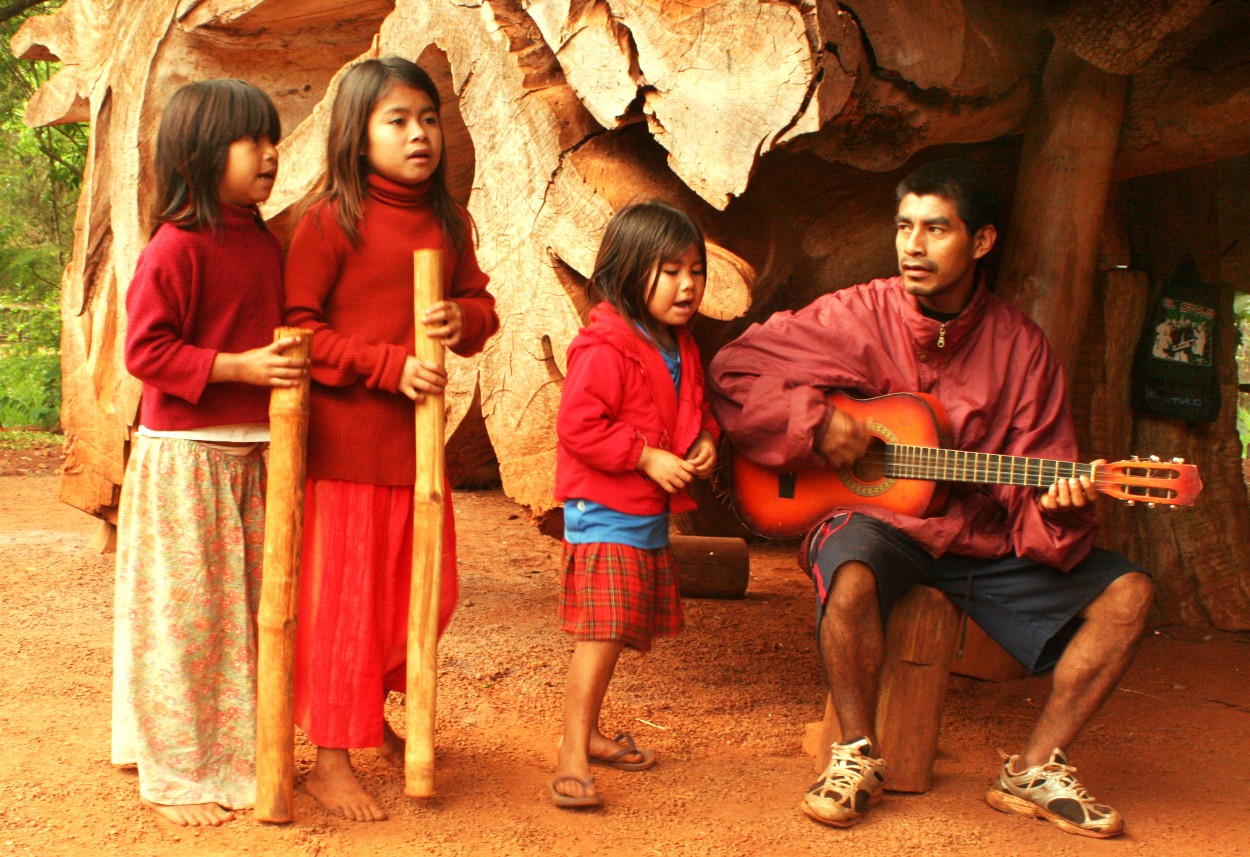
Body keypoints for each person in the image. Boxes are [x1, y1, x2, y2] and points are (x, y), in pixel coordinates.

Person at [708, 159, 1153, 838]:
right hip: (879, 525)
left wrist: (1058, 505)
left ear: (981, 241)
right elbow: (737, 368)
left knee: (1128, 594)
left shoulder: (1021, 349)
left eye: (936, 229)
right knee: (850, 566)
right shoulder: (859, 313)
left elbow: (1042, 467)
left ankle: (1033, 769)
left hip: (978, 536)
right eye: (905, 227)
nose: (913, 245)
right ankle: (856, 754)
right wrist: (819, 423)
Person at [284, 56, 499, 822]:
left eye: (428, 118)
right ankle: (329, 759)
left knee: (423, 592)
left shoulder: (448, 221)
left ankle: (363, 709)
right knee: (345, 602)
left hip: (417, 449)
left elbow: (481, 306)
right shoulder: (328, 220)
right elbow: (300, 331)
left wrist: (460, 320)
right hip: (347, 445)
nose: (419, 134)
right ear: (356, 134)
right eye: (397, 120)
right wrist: (386, 365)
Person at [113, 79, 308, 827]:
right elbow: (145, 350)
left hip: (259, 458)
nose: (269, 153)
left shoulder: (261, 238)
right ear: (199, 152)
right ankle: (179, 770)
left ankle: (233, 752)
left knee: (247, 618)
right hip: (187, 460)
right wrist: (238, 367)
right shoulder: (175, 246)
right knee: (188, 621)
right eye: (251, 140)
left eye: (272, 138)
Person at [550, 201, 721, 808]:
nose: (687, 285)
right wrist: (647, 456)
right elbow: (578, 426)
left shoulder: (679, 343)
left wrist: (702, 439)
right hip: (603, 510)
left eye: (695, 271)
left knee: (615, 630)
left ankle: (590, 734)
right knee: (601, 632)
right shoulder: (605, 347)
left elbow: (692, 406)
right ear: (628, 271)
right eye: (670, 271)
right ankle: (572, 752)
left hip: (643, 513)